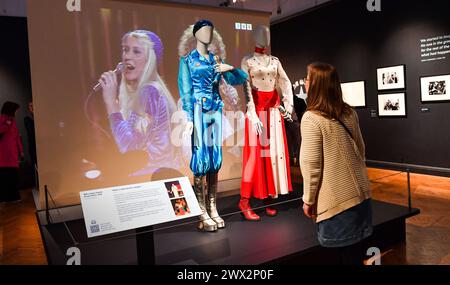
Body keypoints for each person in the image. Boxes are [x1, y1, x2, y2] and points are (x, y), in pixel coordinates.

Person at [178, 19, 247, 232]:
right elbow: (186, 90)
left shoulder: (215, 59)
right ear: (196, 34)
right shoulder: (187, 60)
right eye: (204, 30)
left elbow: (238, 79)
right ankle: (202, 212)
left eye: (211, 31)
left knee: (215, 157)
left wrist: (230, 67)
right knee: (200, 157)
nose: (208, 34)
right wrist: (189, 118)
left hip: (216, 111)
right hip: (198, 111)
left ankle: (213, 208)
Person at [300, 62, 373, 265]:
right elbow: (361, 149)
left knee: (339, 257)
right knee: (357, 255)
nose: (305, 83)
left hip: (337, 204)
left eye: (307, 79)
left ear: (316, 84)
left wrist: (308, 199)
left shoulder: (312, 119)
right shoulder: (349, 112)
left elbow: (311, 164)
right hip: (361, 197)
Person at [99, 29, 178, 176]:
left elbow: (130, 149)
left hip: (150, 178)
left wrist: (111, 104)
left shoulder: (150, 92)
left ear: (150, 60)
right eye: (125, 50)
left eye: (136, 51)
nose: (127, 56)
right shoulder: (145, 92)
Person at [239, 25, 294, 221]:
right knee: (254, 156)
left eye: (268, 33)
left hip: (273, 113)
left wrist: (288, 107)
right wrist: (252, 113)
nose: (266, 37)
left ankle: (268, 198)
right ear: (254, 36)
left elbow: (285, 82)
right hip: (257, 113)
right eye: (262, 33)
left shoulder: (275, 61)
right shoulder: (248, 61)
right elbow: (245, 88)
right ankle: (244, 201)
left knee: (271, 155)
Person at [0, 101, 24, 202]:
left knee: (13, 176)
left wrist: (21, 151)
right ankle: (5, 198)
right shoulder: (2, 119)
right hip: (4, 155)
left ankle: (14, 197)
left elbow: (17, 137)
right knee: (5, 177)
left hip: (12, 154)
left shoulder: (12, 121)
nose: (16, 113)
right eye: (15, 110)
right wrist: (6, 124)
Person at [24, 101, 37, 170]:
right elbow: (30, 131)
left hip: (40, 144)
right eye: (30, 106)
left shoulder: (40, 118)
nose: (31, 108)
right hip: (32, 146)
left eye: (32, 105)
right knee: (34, 164)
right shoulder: (27, 119)